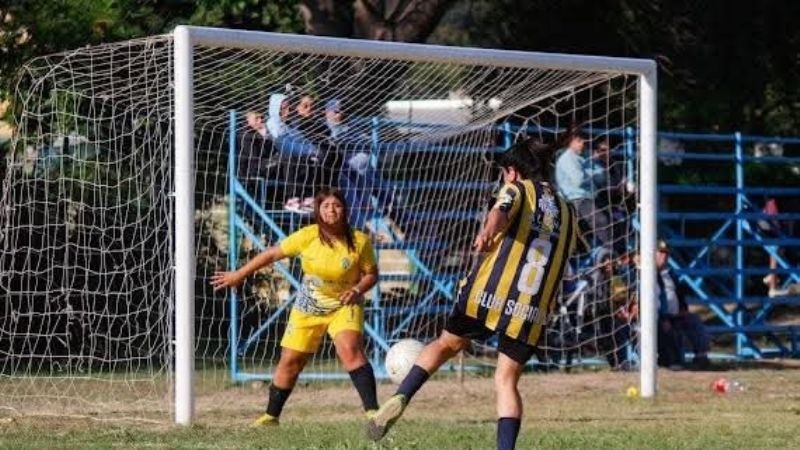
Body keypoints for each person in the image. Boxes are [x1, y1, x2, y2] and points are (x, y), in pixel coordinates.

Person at [367, 138, 578, 450]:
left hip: (487, 294)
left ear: (512, 172)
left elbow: (500, 211)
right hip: (530, 310)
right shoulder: (570, 211)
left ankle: (402, 395)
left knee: (447, 343)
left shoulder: (517, 189)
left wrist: (488, 230)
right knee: (506, 380)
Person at [211, 188, 380, 425]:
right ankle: (271, 417)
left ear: (345, 209)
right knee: (291, 360)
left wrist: (357, 289)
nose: (331, 210)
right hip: (309, 302)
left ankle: (374, 413)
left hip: (345, 303)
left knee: (350, 349)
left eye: (337, 205)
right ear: (318, 211)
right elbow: (271, 255)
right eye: (326, 206)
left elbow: (372, 275)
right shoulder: (307, 236)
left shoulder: (360, 241)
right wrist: (239, 274)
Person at [655, 240, 711, 370]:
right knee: (664, 327)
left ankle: (701, 357)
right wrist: (663, 317)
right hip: (659, 316)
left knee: (693, 320)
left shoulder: (671, 274)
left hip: (675, 315)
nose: (664, 257)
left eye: (666, 254)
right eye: (660, 253)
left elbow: (679, 295)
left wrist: (683, 309)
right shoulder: (648, 275)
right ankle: (671, 361)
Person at [555, 129, 611, 247]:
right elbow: (578, 180)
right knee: (601, 221)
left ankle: (609, 253)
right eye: (578, 141)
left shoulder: (585, 156)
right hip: (576, 200)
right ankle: (607, 255)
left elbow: (602, 177)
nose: (582, 143)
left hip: (591, 197)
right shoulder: (567, 159)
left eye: (583, 140)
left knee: (615, 218)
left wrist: (587, 172)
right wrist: (590, 173)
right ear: (570, 142)